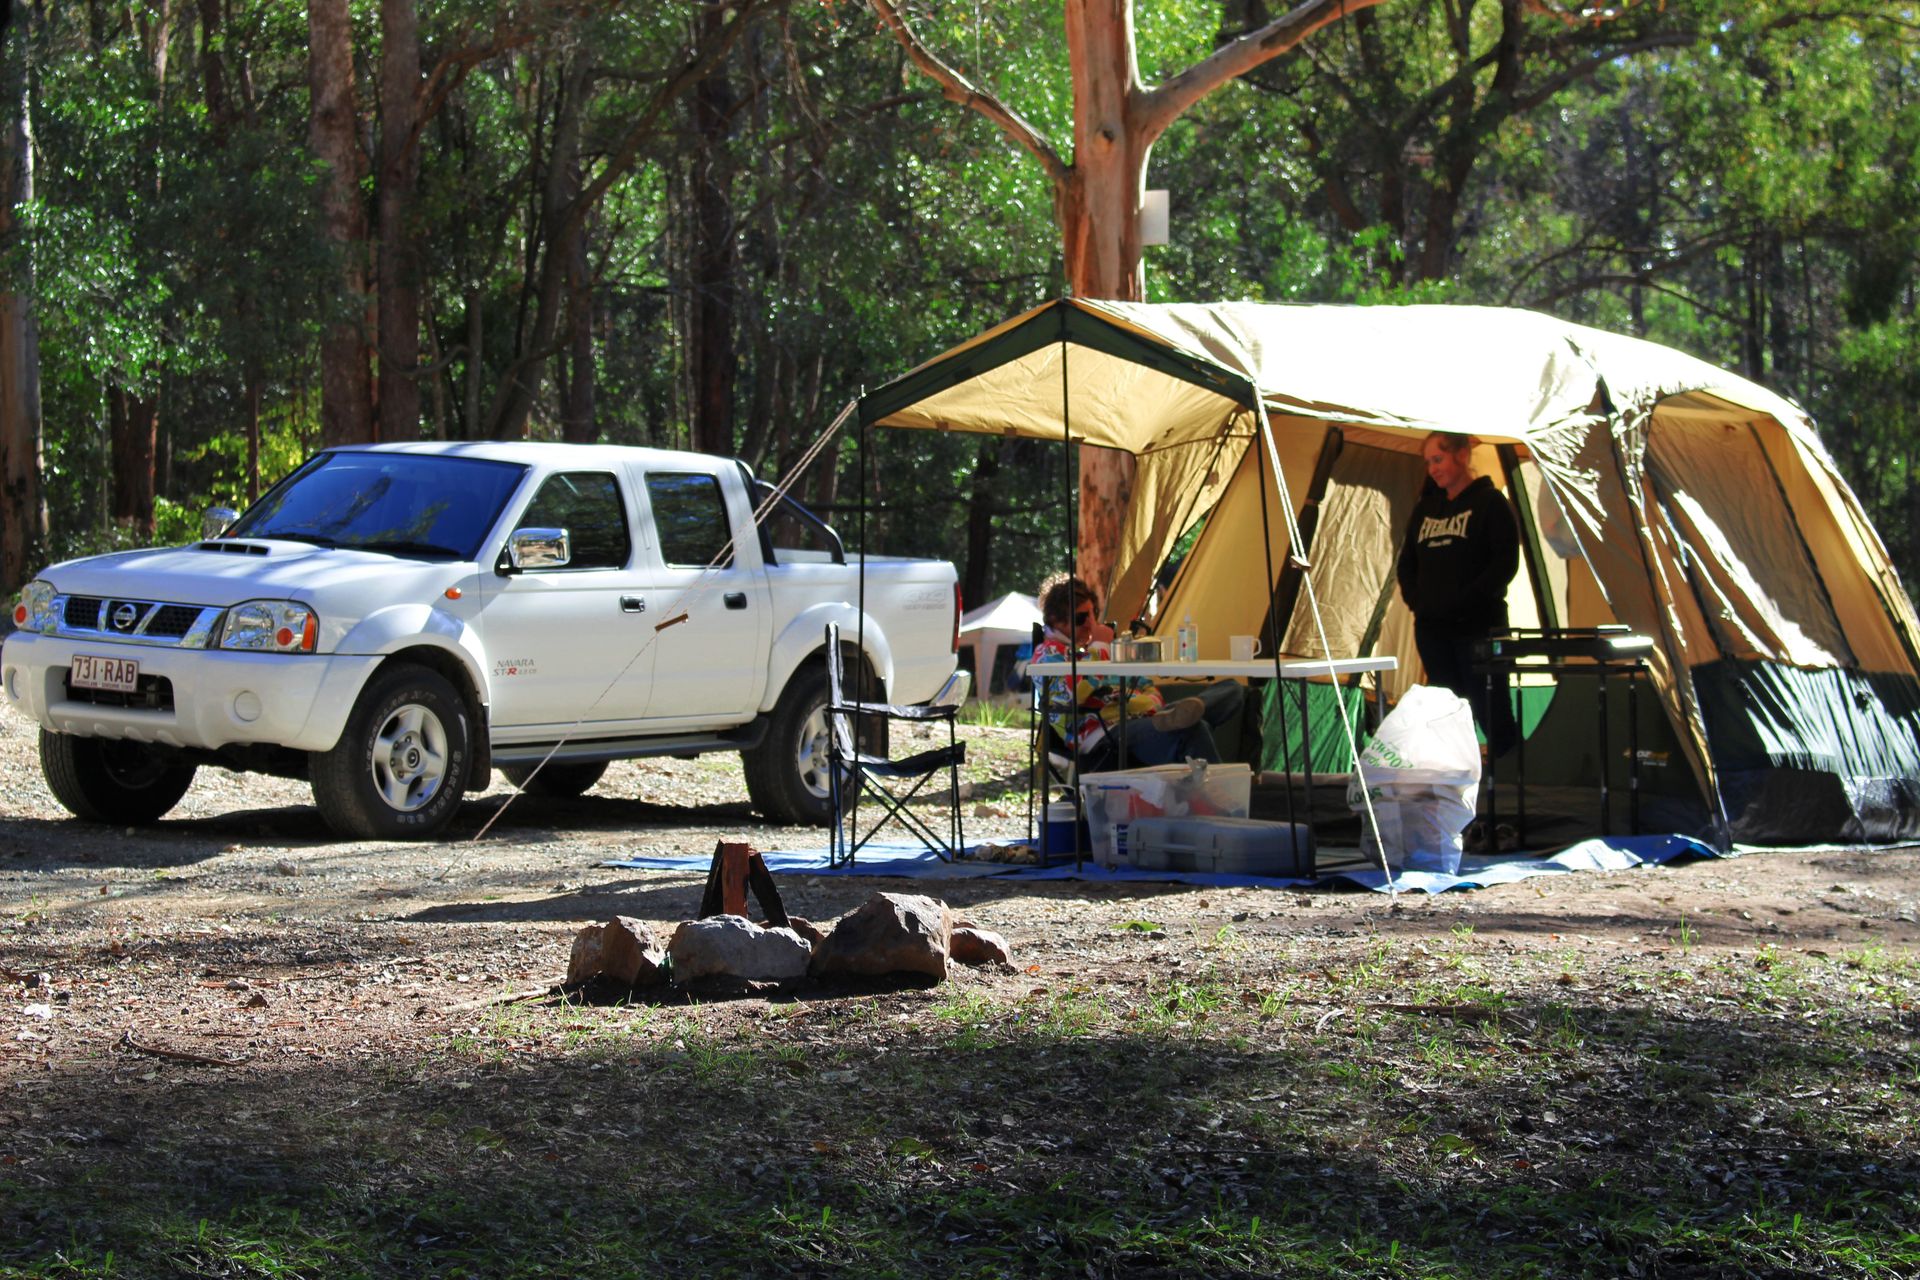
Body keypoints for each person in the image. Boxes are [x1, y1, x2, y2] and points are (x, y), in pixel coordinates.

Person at [1395, 431, 1521, 758]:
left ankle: (1511, 783)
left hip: (1479, 629)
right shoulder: (1426, 509)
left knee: (1490, 709)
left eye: (1438, 459)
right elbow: (1406, 563)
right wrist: (1419, 603)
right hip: (1434, 630)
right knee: (1446, 712)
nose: (1433, 469)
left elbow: (1504, 564)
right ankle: (1455, 784)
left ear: (1462, 455)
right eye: (1428, 463)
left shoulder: (1491, 503)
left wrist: (1464, 601)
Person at [1031, 573, 1217, 769]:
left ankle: (1176, 717)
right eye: (1080, 618)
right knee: (1195, 728)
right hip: (1101, 731)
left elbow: (1142, 682)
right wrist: (1100, 646)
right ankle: (1218, 795)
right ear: (1056, 620)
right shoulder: (1048, 653)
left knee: (1230, 691)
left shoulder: (1091, 651)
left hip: (1137, 716)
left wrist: (1147, 703)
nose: (1090, 624)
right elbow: (1073, 693)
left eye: (1093, 613)